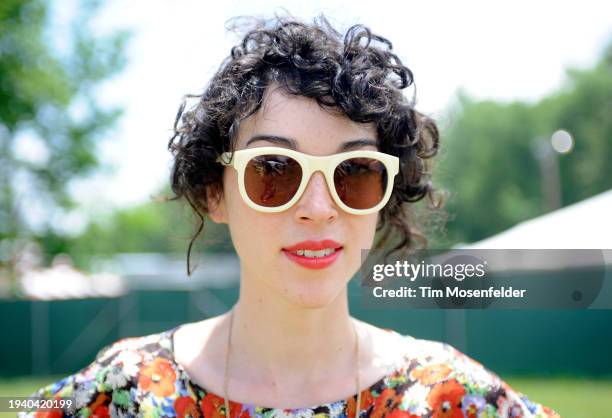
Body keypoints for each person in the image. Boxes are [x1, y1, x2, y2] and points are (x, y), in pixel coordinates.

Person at [22, 15, 560, 418]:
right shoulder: (127, 391)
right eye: (274, 170)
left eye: (355, 172)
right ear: (216, 190)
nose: (319, 208)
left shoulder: (450, 396)